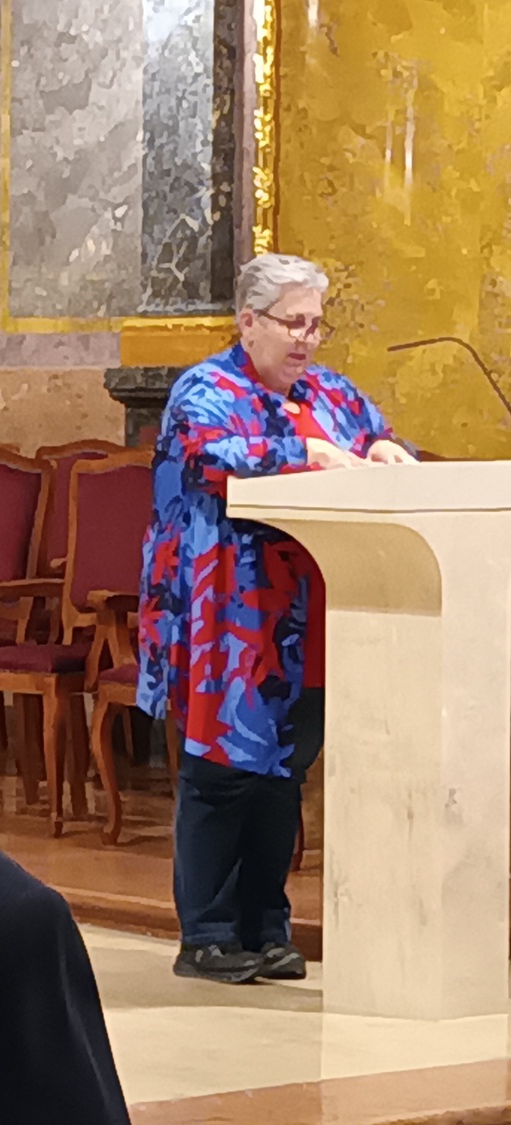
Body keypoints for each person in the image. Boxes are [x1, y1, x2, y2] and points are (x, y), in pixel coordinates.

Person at [138, 252, 417, 985]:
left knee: (283, 772)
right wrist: (308, 452)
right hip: (227, 610)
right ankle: (208, 932)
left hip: (310, 614)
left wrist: (385, 447)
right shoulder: (206, 389)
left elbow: (377, 437)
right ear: (249, 322)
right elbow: (214, 457)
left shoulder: (331, 392)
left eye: (315, 325)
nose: (306, 339)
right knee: (223, 771)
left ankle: (266, 925)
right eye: (293, 323)